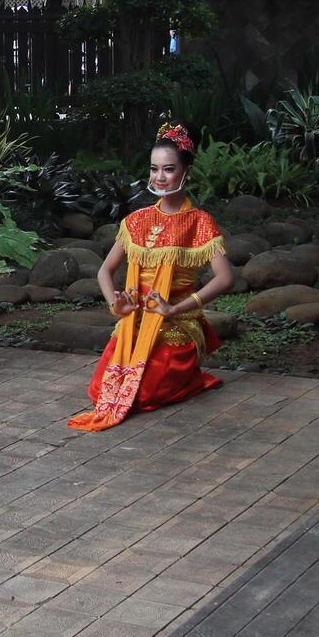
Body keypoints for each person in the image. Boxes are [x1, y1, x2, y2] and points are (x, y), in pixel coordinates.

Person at [69, 123, 232, 432]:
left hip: (176, 322)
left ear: (187, 172)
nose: (159, 176)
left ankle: (192, 377)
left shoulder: (199, 223)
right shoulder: (136, 220)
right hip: (136, 321)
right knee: (101, 389)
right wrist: (115, 303)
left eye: (168, 169)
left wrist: (173, 309)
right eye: (154, 169)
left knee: (144, 394)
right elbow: (106, 270)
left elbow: (225, 279)